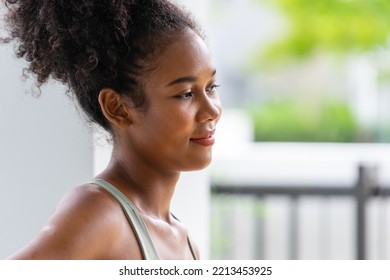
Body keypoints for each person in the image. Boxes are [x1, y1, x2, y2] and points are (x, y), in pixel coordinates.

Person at [2, 0, 222, 260]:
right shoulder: (99, 214)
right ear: (117, 108)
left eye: (211, 87)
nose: (213, 110)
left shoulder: (187, 246)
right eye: (185, 94)